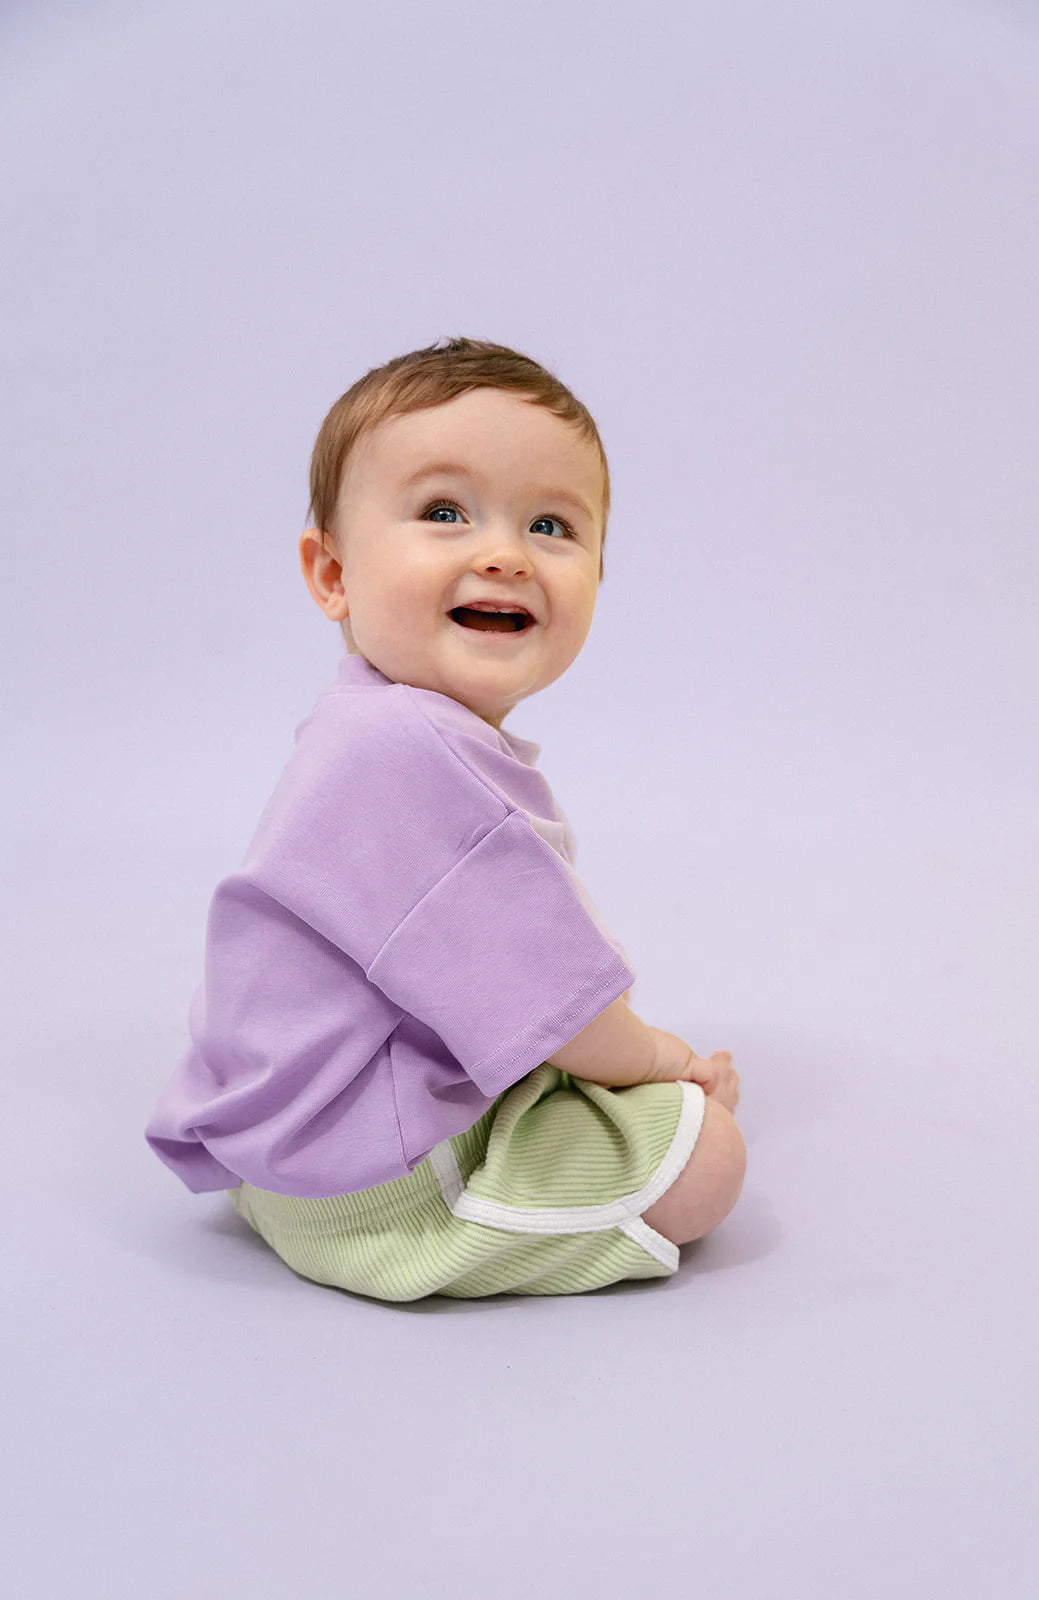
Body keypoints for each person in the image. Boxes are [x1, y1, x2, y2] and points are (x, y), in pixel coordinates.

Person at [144, 335, 746, 1301]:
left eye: (552, 525)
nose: (504, 553)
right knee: (708, 1159)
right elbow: (558, 1000)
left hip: (281, 1139)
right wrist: (665, 1065)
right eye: (443, 511)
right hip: (368, 1177)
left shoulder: (367, 726)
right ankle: (413, 1231)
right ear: (332, 572)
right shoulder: (409, 754)